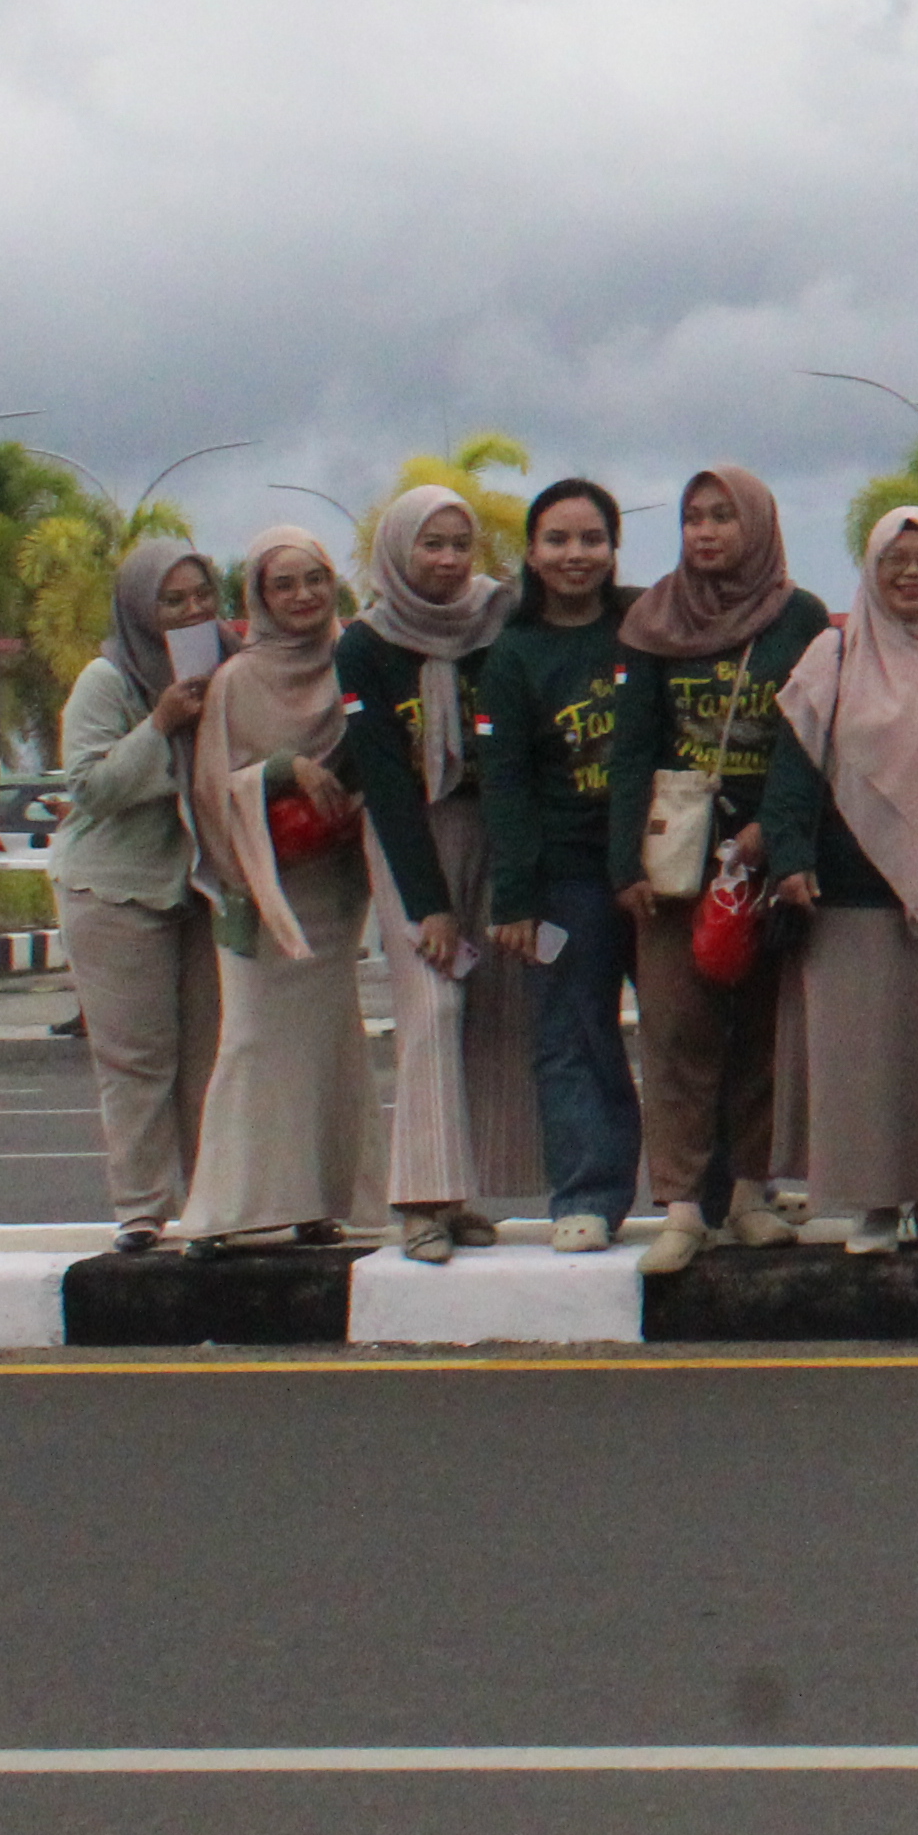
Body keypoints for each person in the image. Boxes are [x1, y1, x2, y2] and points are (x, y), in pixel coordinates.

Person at [608, 466, 832, 1278]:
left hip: (764, 862)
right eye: (692, 518)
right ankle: (679, 1206)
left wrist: (774, 837)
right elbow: (631, 749)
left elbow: (808, 741)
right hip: (673, 865)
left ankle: (748, 1195)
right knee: (676, 1032)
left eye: (722, 518)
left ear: (758, 526)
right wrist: (623, 860)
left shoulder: (799, 617)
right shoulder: (653, 617)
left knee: (761, 1034)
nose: (704, 533)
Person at [756, 503, 918, 1252]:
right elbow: (792, 767)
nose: (912, 573)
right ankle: (874, 1206)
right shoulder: (833, 654)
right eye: (896, 560)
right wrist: (791, 858)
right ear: (871, 569)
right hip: (849, 891)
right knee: (863, 1058)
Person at [171, 528, 391, 1250]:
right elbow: (211, 788)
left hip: (331, 887)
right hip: (261, 891)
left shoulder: (354, 660)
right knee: (253, 1042)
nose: (302, 597)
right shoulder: (238, 681)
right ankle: (221, 1214)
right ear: (259, 598)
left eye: (315, 580)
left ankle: (318, 1201)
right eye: (283, 585)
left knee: (328, 1043)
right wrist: (282, 771)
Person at [351, 483, 533, 1262]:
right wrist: (427, 904)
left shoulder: (500, 623)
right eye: (432, 544)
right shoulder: (366, 644)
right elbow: (385, 779)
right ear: (398, 550)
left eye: (461, 544)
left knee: (494, 1005)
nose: (449, 560)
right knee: (432, 1007)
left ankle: (462, 1196)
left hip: (496, 826)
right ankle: (419, 1202)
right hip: (410, 834)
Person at [477, 480, 645, 1249]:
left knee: (687, 1038)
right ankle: (587, 1193)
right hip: (567, 879)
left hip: (656, 873)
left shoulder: (644, 628)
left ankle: (706, 1198)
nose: (575, 555)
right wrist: (515, 899)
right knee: (575, 1038)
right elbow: (504, 783)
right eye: (557, 539)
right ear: (533, 553)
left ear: (613, 548)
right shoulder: (513, 654)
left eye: (591, 539)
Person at [57, 539, 226, 1253]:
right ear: (139, 609)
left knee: (210, 1059)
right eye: (172, 600)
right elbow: (91, 787)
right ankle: (141, 1208)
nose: (190, 612)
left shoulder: (230, 669)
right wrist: (160, 724)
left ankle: (217, 1204)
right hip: (116, 890)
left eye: (200, 596)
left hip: (202, 887)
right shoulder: (108, 680)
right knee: (137, 1059)